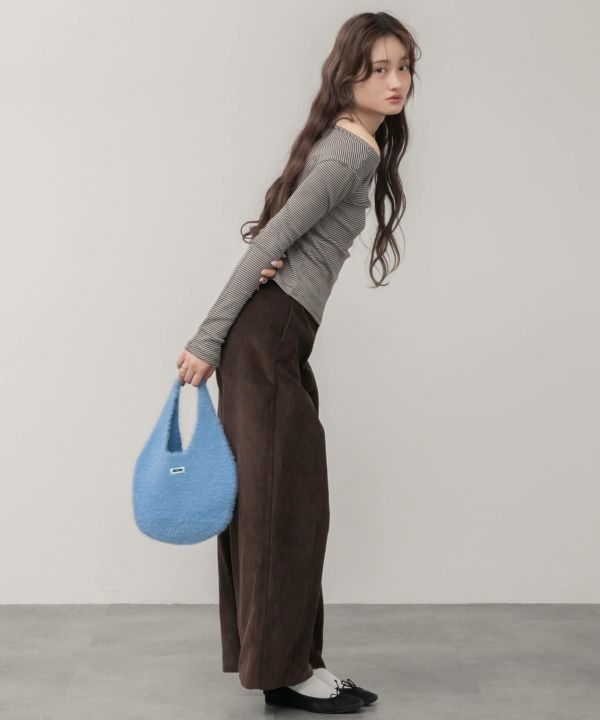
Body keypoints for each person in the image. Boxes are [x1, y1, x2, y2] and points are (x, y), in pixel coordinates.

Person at [177, 11, 419, 714]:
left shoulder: (350, 143)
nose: (396, 81)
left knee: (288, 506)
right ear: (348, 75)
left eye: (404, 66)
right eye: (379, 68)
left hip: (279, 338)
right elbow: (268, 244)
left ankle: (293, 664)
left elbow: (278, 239)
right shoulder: (349, 154)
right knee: (284, 508)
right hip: (266, 339)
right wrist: (207, 339)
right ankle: (287, 673)